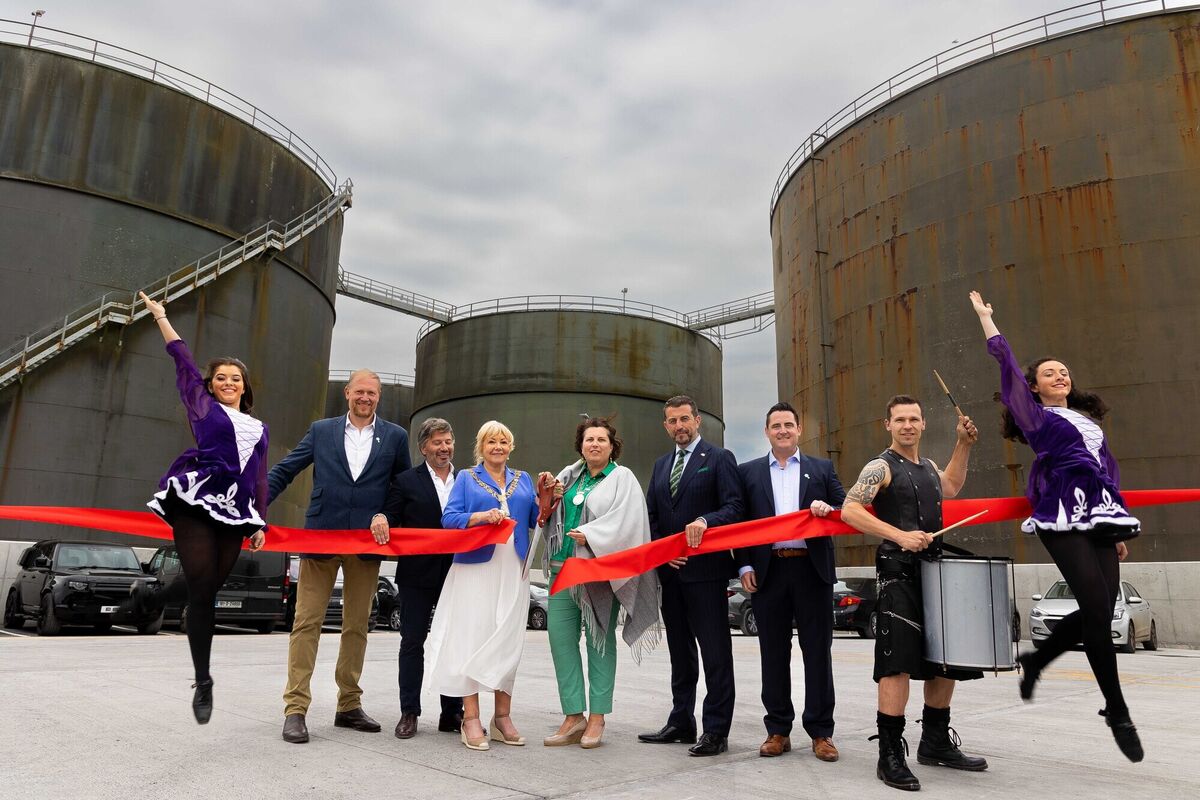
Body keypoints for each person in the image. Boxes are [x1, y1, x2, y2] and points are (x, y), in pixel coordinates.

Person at [969, 290, 1143, 762]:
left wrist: (1119, 529)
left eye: (1064, 370)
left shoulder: (1087, 422)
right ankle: (1117, 707)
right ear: (1037, 387)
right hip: (1060, 509)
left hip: (1101, 512)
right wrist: (989, 321)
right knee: (1092, 602)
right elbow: (1006, 370)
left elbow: (1111, 471)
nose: (1060, 375)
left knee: (1102, 610)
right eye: (1049, 372)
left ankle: (1038, 659)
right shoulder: (1036, 418)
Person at [840, 395, 985, 792]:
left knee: (945, 659)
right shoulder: (880, 466)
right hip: (897, 574)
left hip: (936, 572)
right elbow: (849, 509)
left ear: (923, 424)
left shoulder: (928, 467)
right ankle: (889, 756)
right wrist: (900, 535)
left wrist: (963, 444)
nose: (907, 425)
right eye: (900, 419)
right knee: (896, 663)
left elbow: (951, 486)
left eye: (914, 419)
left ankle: (935, 742)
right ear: (887, 424)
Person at [137, 291, 267, 724]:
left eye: (236, 378)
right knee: (200, 585)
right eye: (221, 378)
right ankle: (204, 679)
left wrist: (260, 520)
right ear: (211, 385)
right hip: (197, 500)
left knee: (207, 589)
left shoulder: (258, 427)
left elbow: (260, 476)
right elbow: (183, 361)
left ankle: (154, 593)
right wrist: (161, 318)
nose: (228, 382)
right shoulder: (202, 407)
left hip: (236, 509)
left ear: (245, 387)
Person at [268, 371, 412, 744]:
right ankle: (295, 709)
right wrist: (251, 507)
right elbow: (286, 469)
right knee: (306, 622)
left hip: (367, 542)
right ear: (347, 393)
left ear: (379, 397)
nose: (365, 398)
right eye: (359, 391)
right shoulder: (321, 430)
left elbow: (401, 488)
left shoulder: (395, 436)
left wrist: (387, 517)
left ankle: (348, 704)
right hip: (322, 537)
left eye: (372, 393)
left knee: (357, 625)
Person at [423, 421, 553, 751]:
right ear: (481, 446)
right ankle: (470, 719)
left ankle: (502, 717)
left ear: (511, 447)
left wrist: (548, 498)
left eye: (504, 441)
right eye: (491, 441)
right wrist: (480, 517)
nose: (498, 446)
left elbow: (538, 519)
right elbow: (449, 519)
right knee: (473, 638)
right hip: (475, 569)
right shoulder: (466, 478)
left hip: (515, 568)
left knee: (507, 640)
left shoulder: (523, 479)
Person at [541, 417, 660, 749]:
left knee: (600, 645)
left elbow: (629, 521)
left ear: (612, 446)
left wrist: (591, 535)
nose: (594, 444)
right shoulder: (568, 477)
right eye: (589, 439)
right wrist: (548, 497)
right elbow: (548, 515)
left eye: (601, 440)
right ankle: (573, 715)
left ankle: (597, 717)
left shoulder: (622, 479)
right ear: (581, 444)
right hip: (560, 570)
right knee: (561, 643)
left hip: (597, 574)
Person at [736, 402, 845, 762]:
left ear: (799, 429)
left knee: (817, 654)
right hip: (769, 573)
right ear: (766, 432)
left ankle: (821, 732)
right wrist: (744, 565)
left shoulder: (822, 469)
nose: (782, 430)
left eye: (788, 425)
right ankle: (778, 729)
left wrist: (828, 510)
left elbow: (846, 510)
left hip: (812, 572)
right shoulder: (748, 473)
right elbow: (741, 525)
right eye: (776, 425)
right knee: (773, 654)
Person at [639, 395, 743, 756]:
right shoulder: (661, 464)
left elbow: (735, 507)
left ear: (698, 421)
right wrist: (663, 552)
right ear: (666, 426)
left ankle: (716, 730)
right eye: (672, 421)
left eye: (685, 419)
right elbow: (651, 516)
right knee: (680, 655)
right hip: (672, 575)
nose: (679, 426)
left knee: (715, 654)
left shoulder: (718, 459)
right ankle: (681, 721)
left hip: (706, 574)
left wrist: (705, 521)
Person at [377, 417, 464, 739]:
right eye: (437, 442)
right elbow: (390, 514)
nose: (444, 448)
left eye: (448, 441)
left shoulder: (467, 479)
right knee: (412, 642)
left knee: (453, 643)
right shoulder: (406, 481)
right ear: (424, 447)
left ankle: (452, 713)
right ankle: (409, 712)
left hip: (458, 572)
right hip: (416, 574)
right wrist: (381, 517)